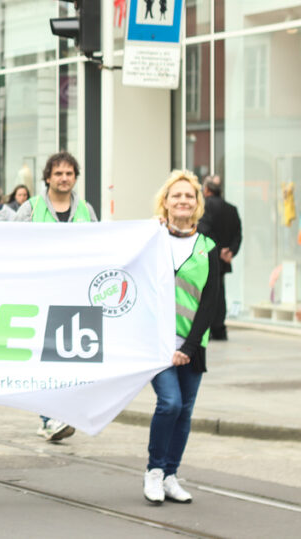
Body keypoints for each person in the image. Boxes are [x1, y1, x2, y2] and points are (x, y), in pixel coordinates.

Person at [143, 170, 219, 504]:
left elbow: (210, 300)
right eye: (177, 195)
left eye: (189, 196)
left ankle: (171, 475)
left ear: (197, 203)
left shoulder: (208, 247)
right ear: (166, 202)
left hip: (191, 345)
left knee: (185, 411)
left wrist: (189, 346)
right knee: (170, 403)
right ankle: (154, 472)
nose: (183, 200)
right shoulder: (151, 238)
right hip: (156, 343)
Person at [14, 152, 98, 443]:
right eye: (58, 173)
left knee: (74, 361)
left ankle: (60, 414)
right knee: (45, 360)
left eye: (69, 173)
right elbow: (8, 245)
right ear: (47, 177)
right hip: (41, 295)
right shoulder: (30, 208)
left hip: (77, 296)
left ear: (76, 177)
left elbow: (101, 247)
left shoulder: (86, 210)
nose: (64, 178)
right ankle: (49, 418)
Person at [197, 175, 242, 341]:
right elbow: (238, 233)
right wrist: (230, 251)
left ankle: (207, 328)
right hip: (224, 258)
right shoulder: (232, 208)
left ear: (207, 190)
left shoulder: (204, 207)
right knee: (219, 292)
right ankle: (219, 328)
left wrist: (218, 250)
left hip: (208, 256)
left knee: (206, 292)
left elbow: (205, 230)